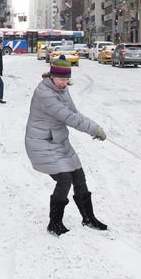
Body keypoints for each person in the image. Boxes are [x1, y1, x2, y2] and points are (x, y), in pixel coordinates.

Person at [25, 59, 107, 236]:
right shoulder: (44, 93)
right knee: (64, 179)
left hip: (59, 141)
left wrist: (95, 127)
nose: (64, 82)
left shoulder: (62, 89)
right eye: (60, 79)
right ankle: (54, 223)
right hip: (41, 142)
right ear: (51, 75)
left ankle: (88, 218)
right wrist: (93, 130)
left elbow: (75, 112)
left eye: (66, 79)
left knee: (79, 175)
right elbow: (68, 117)